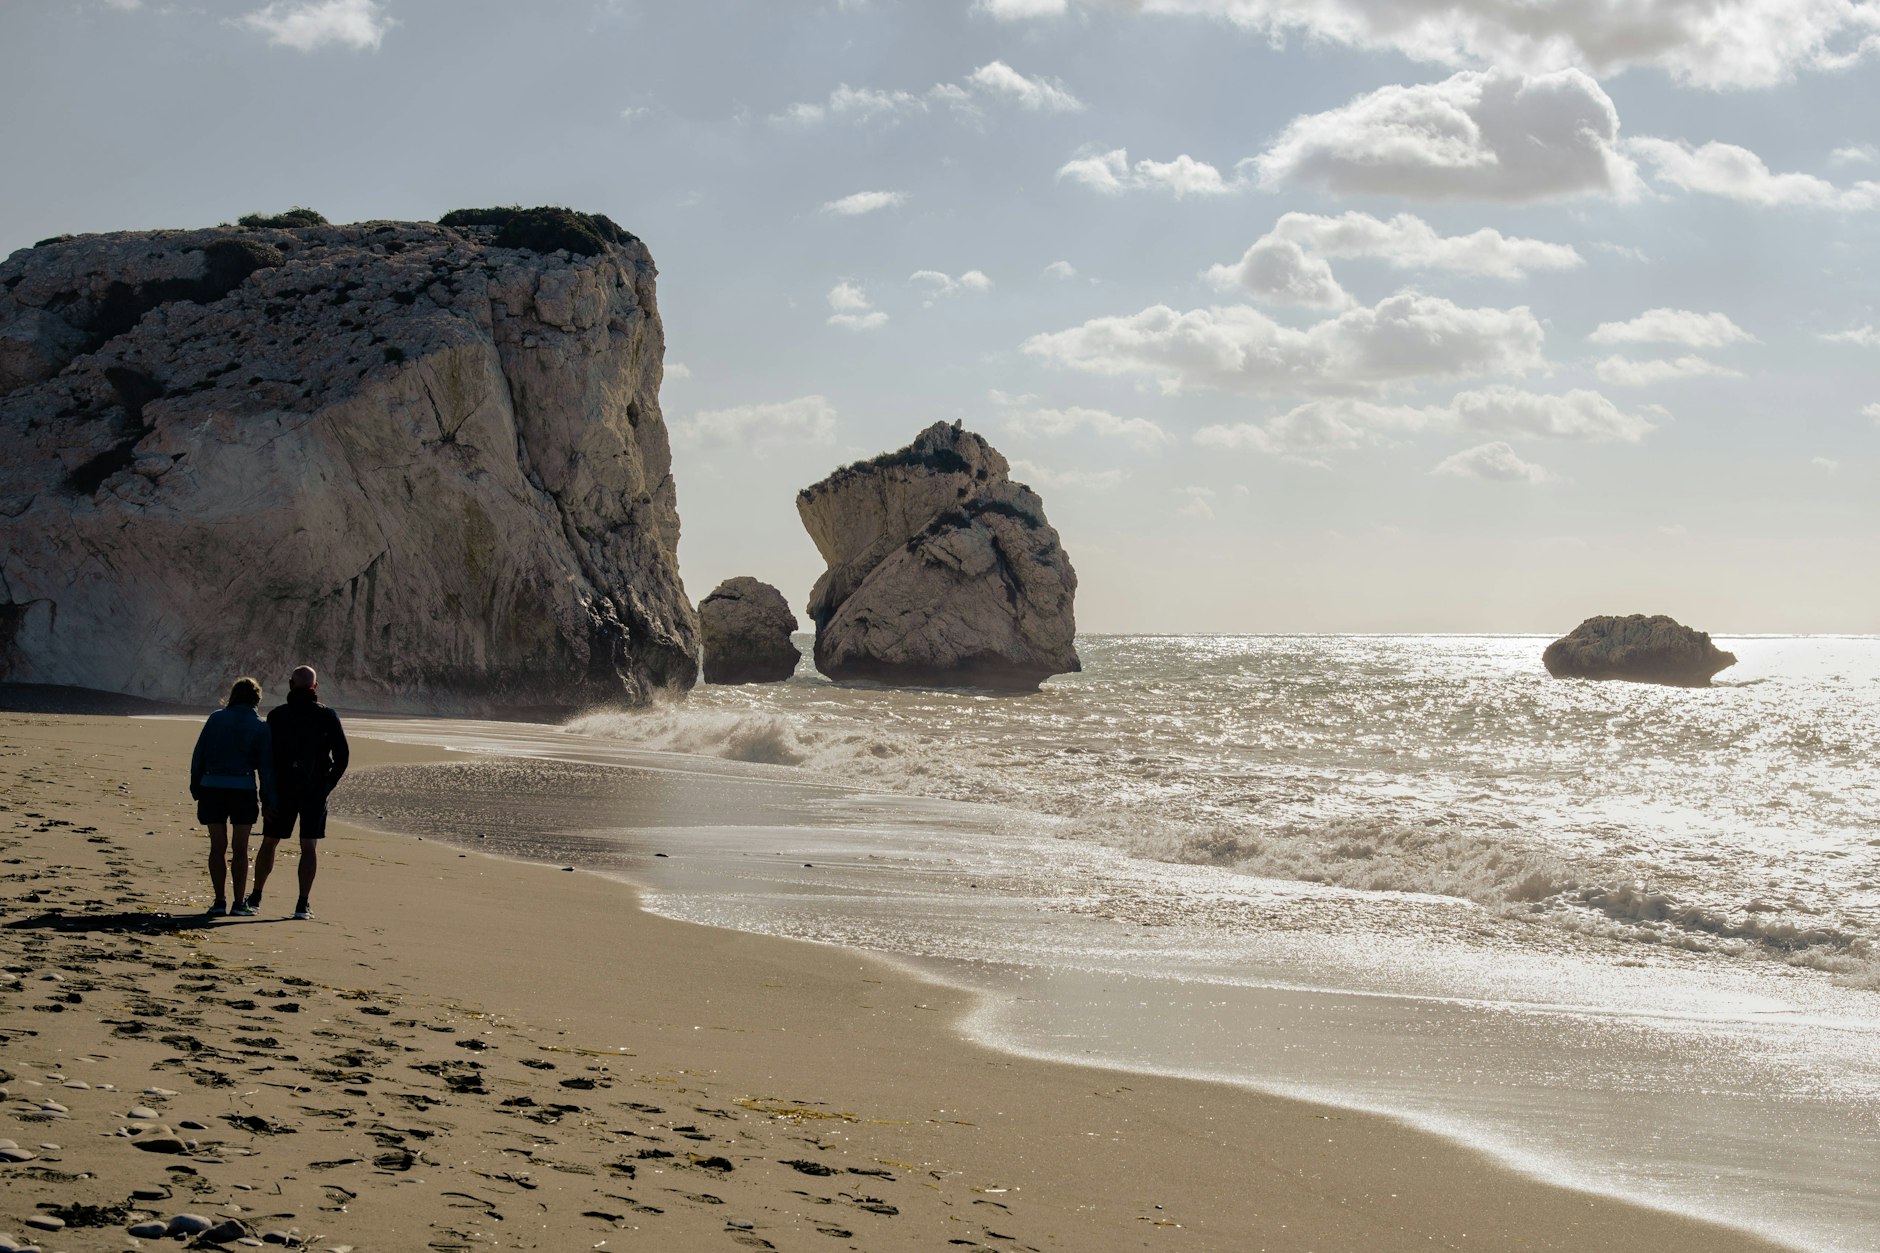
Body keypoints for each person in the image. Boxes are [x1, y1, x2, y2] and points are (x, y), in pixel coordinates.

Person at [251, 664, 348, 920]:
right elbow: (343, 756)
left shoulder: (277, 716)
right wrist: (327, 785)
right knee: (309, 845)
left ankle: (255, 897)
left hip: (282, 788)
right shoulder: (327, 715)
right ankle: (302, 904)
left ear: (291, 685)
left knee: (270, 841)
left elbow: (266, 759)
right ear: (315, 687)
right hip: (314, 789)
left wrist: (266, 793)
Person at [188, 677, 275, 917]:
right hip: (242, 789)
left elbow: (199, 755)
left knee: (217, 846)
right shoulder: (261, 726)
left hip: (212, 786)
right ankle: (238, 902)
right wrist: (267, 800)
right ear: (257, 699)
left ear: (233, 696)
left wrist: (196, 786)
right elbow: (266, 769)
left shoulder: (216, 719)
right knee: (240, 848)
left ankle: (218, 901)